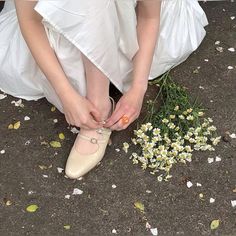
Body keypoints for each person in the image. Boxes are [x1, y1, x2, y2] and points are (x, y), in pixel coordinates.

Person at [0, 0, 208, 179]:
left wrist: (138, 88)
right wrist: (66, 94)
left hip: (130, 18)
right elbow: (29, 20)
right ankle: (98, 103)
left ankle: (97, 103)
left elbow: (149, 17)